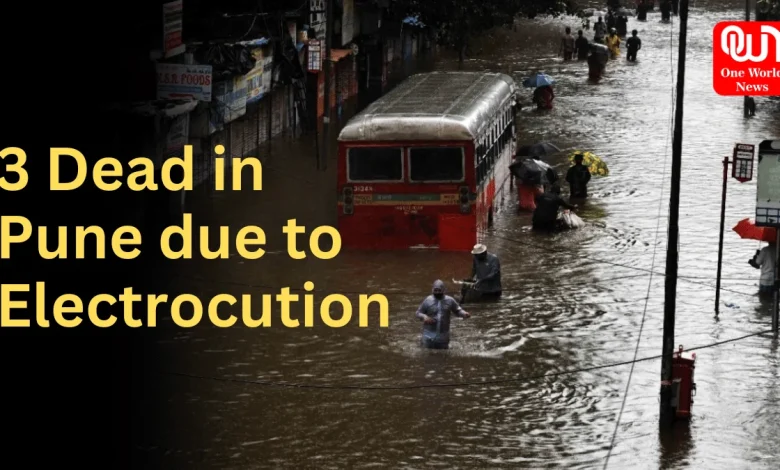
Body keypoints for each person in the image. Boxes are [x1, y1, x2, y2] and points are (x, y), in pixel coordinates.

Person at [416, 280, 471, 349]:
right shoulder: (428, 300)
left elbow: (457, 310)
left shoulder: (450, 300)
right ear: (432, 290)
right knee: (427, 355)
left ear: (444, 290)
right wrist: (424, 316)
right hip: (428, 335)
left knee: (443, 356)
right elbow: (418, 313)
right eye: (435, 290)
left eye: (439, 290)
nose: (437, 292)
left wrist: (464, 314)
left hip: (443, 337)